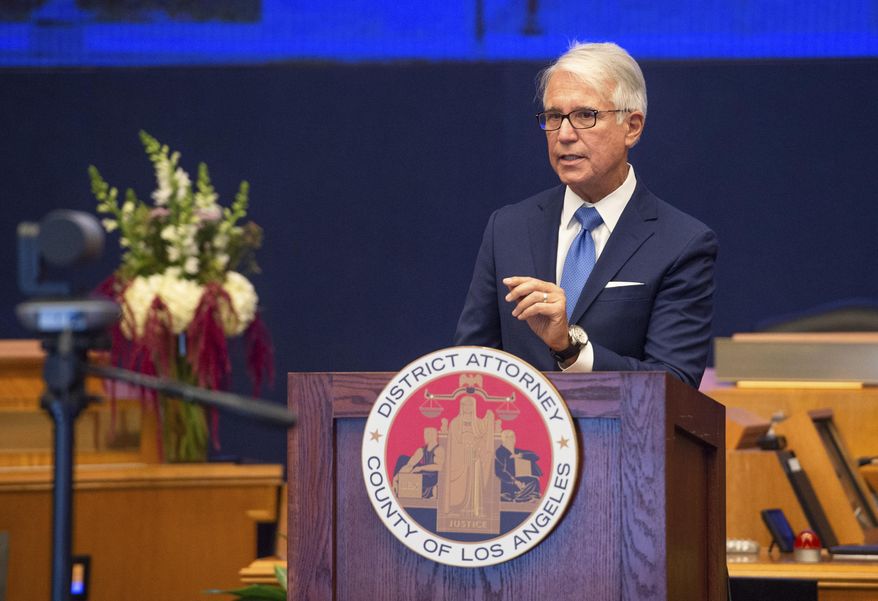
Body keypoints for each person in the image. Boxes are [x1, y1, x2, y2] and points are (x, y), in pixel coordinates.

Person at [454, 41, 717, 388]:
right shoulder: (508, 228)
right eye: (553, 117)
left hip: (624, 441)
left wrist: (571, 349)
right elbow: (471, 365)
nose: (563, 135)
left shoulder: (681, 243)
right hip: (520, 441)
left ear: (633, 126)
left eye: (584, 116)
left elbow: (675, 386)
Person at [393, 427, 444, 498]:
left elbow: (439, 467)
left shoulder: (439, 450)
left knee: (413, 478)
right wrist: (397, 477)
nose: (424, 437)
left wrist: (421, 468)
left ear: (432, 436)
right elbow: (410, 464)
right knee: (403, 459)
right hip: (422, 473)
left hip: (432, 477)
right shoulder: (422, 450)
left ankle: (430, 492)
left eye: (426, 435)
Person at [494, 429, 542, 503]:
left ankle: (528, 497)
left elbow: (535, 456)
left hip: (519, 476)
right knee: (533, 481)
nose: (510, 439)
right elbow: (500, 471)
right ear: (502, 439)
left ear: (515, 439)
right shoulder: (500, 452)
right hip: (507, 480)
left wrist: (519, 456)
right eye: (507, 437)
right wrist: (515, 481)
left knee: (535, 480)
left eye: (512, 437)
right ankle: (520, 498)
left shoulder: (516, 451)